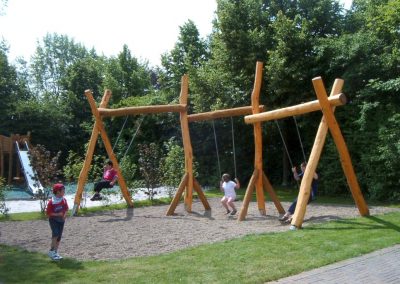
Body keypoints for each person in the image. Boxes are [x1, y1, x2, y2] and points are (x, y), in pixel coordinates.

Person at [46, 183, 69, 261]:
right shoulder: (51, 202)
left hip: (61, 220)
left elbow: (66, 209)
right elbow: (48, 213)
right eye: (63, 191)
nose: (64, 192)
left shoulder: (63, 200)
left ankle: (55, 252)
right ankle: (51, 251)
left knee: (59, 237)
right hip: (53, 220)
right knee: (55, 234)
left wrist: (65, 215)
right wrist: (57, 214)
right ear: (58, 192)